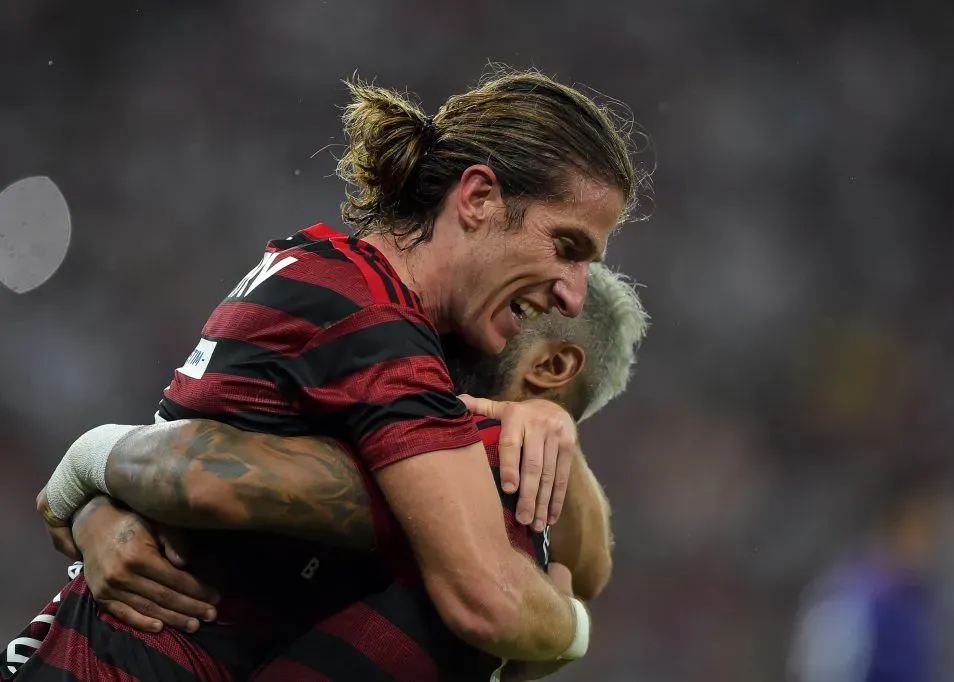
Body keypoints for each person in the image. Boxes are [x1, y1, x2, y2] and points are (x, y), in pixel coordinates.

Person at [27, 66, 642, 680]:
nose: (572, 293)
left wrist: (88, 487)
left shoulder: (337, 276)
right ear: (479, 198)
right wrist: (565, 626)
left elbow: (584, 566)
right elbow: (200, 471)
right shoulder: (368, 318)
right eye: (567, 246)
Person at [8, 264, 648, 681]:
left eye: (517, 306)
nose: (463, 311)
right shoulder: (384, 399)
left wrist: (92, 466)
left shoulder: (470, 471)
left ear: (553, 365)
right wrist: (96, 491)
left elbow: (203, 476)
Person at [787, 463, 951, 682]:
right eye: (924, 533)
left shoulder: (918, 598)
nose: (932, 547)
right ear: (895, 528)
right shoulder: (853, 598)